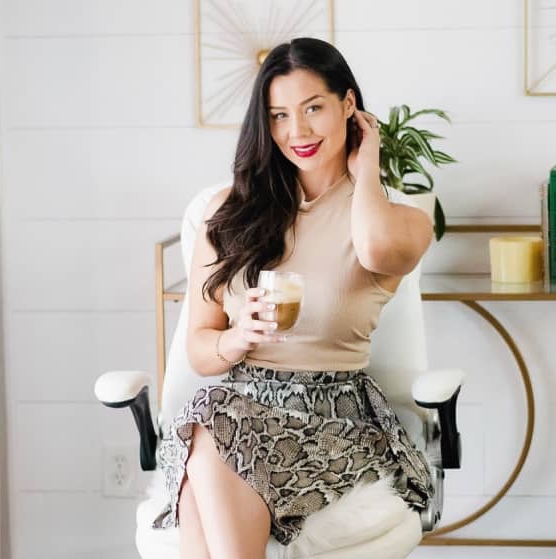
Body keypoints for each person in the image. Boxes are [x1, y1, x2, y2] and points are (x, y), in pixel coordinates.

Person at [152, 37, 434, 559]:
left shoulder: (402, 222)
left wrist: (366, 166)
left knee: (205, 452)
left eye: (313, 109)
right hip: (234, 405)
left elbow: (373, 249)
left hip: (332, 414)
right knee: (209, 437)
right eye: (279, 115)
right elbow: (199, 347)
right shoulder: (230, 214)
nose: (296, 132)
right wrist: (236, 339)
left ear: (348, 105)